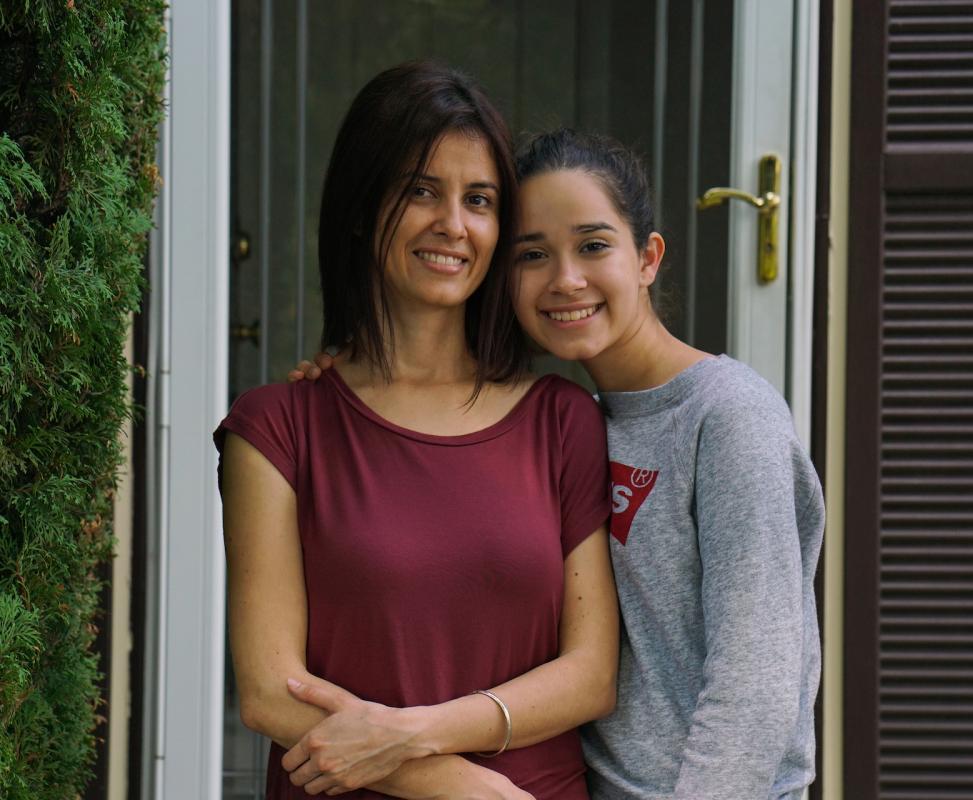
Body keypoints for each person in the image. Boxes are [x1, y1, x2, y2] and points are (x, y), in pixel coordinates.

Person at [293, 127, 824, 800]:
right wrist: (356, 380)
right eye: (533, 255)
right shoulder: (572, 421)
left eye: (594, 246)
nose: (565, 279)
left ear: (648, 258)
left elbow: (757, 684)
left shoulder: (728, 418)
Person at [215, 65, 619, 800]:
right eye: (421, 191)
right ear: (365, 206)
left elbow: (591, 675)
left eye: (480, 201)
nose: (453, 225)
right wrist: (475, 792)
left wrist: (412, 732)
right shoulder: (276, 428)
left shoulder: (564, 420)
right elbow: (272, 696)